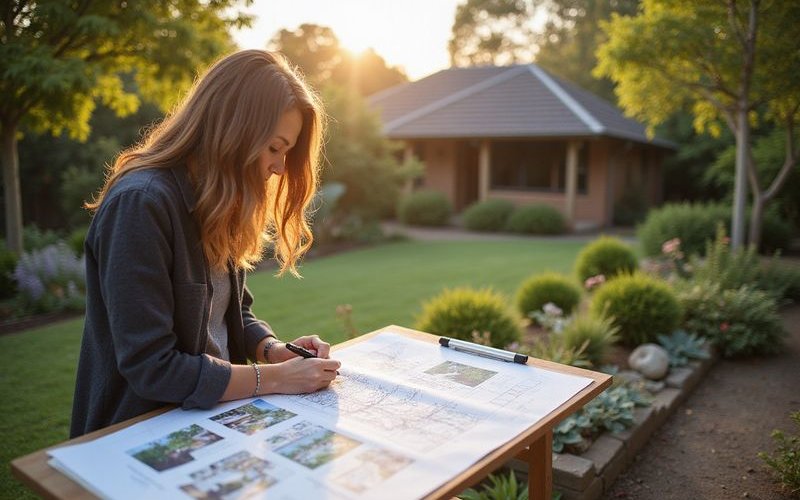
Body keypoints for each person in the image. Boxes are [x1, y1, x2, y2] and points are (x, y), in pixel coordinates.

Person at [70, 50, 341, 438]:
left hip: (211, 424)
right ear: (233, 131)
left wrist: (272, 349)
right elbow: (153, 367)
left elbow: (234, 315)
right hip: (136, 436)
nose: (280, 168)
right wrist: (276, 377)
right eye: (274, 148)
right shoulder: (141, 204)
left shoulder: (216, 201)